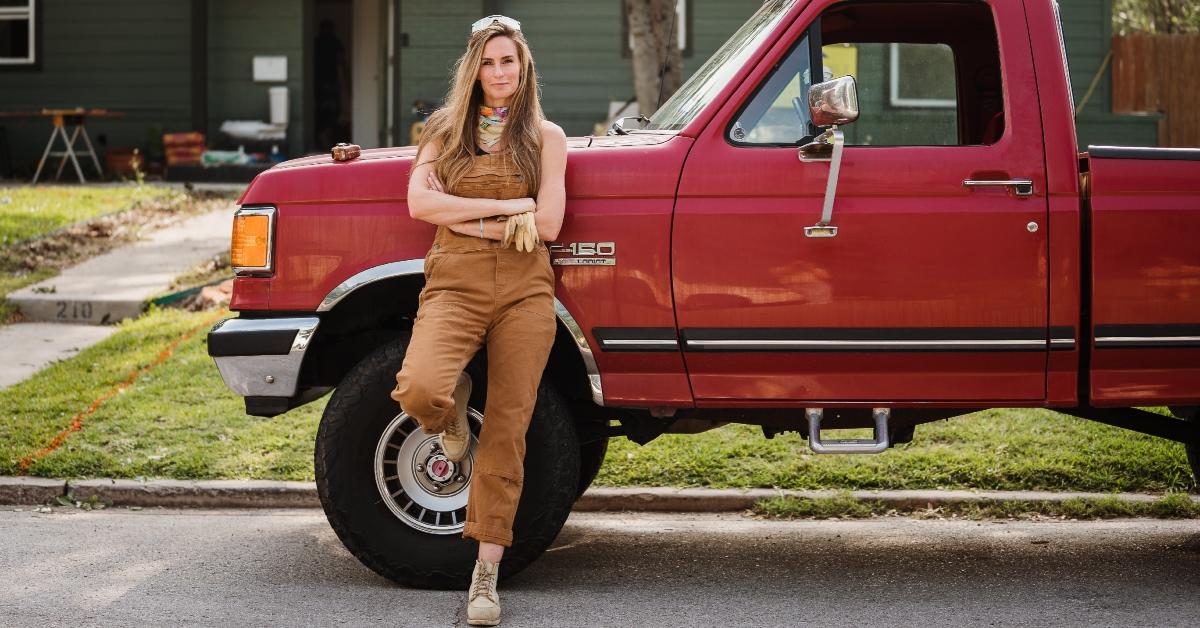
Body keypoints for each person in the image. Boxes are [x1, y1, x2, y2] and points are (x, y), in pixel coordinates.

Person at [389, 14, 567, 627]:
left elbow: (546, 225)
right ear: (474, 69)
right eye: (489, 62)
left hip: (525, 288)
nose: (499, 73)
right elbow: (418, 203)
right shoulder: (442, 132)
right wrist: (505, 205)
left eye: (509, 62)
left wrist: (460, 214)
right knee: (419, 388)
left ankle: (486, 573)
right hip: (456, 283)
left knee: (508, 429)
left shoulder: (547, 137)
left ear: (524, 68)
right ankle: (453, 408)